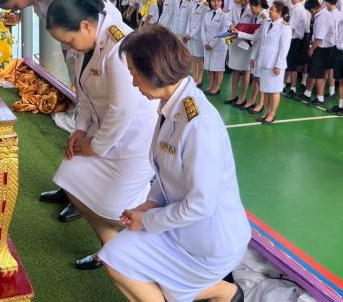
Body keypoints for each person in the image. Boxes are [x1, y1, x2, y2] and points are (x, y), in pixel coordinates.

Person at [99, 25, 249, 302]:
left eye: (134, 74)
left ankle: (222, 290)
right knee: (115, 256)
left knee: (145, 277)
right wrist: (150, 204)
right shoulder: (173, 106)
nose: (133, 83)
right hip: (180, 228)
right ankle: (222, 292)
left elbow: (201, 205)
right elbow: (165, 172)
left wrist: (148, 219)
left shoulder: (198, 124)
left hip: (210, 243)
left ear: (153, 71)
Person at [0, 0, 121, 222]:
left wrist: (92, 61)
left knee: (96, 128)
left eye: (13, 5)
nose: (16, 10)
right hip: (81, 57)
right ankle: (72, 190)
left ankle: (85, 199)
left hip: (102, 58)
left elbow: (100, 22)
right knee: (83, 119)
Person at [45, 0, 158, 270]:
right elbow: (84, 94)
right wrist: (79, 130)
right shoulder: (88, 44)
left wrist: (95, 146)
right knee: (69, 178)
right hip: (102, 134)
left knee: (116, 211)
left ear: (85, 26)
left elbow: (123, 109)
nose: (69, 47)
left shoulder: (119, 46)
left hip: (133, 142)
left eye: (69, 40)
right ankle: (112, 249)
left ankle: (129, 257)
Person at [251, 1, 292, 124]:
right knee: (266, 90)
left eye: (272, 10)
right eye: (270, 9)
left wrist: (278, 65)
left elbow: (284, 48)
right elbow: (260, 42)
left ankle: (272, 114)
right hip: (264, 62)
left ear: (279, 13)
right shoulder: (266, 23)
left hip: (274, 64)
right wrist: (253, 57)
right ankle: (266, 111)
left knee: (274, 90)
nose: (269, 11)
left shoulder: (285, 27)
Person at [224, 0, 256, 106]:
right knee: (235, 68)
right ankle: (233, 94)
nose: (242, 2)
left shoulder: (252, 9)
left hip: (245, 42)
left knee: (245, 70)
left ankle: (242, 97)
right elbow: (228, 19)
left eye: (245, 0)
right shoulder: (234, 5)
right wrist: (230, 26)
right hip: (233, 39)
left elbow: (254, 25)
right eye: (241, 0)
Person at [201, 0, 230, 95]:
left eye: (218, 1)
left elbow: (223, 32)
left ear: (222, 2)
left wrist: (212, 44)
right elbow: (203, 29)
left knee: (218, 68)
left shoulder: (225, 15)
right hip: (207, 44)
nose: (215, 3)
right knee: (209, 66)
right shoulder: (207, 13)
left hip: (219, 46)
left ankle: (217, 87)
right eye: (213, 1)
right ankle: (211, 85)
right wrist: (205, 43)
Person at [184, 0, 210, 86]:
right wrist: (187, 32)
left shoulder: (206, 6)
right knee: (193, 57)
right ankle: (194, 77)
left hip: (198, 36)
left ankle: (199, 78)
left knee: (199, 58)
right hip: (190, 35)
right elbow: (190, 19)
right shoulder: (196, 4)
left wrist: (191, 33)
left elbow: (201, 23)